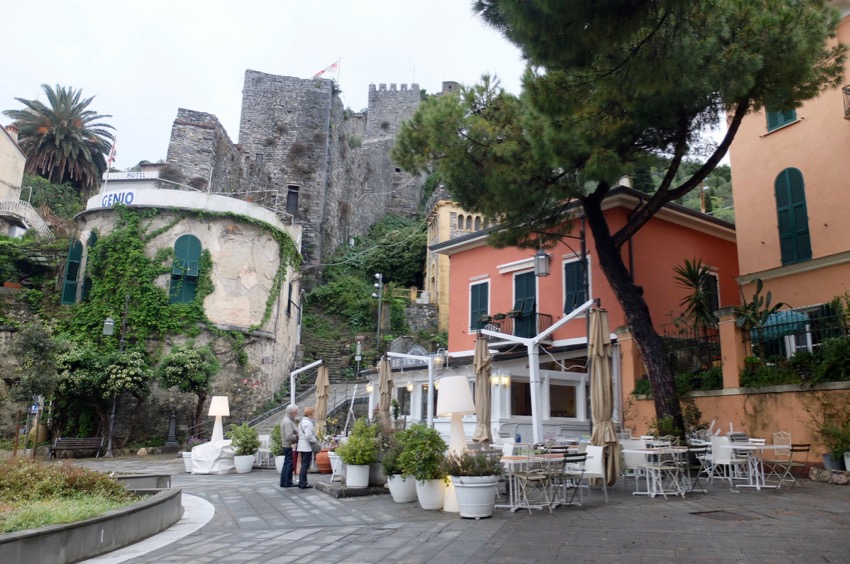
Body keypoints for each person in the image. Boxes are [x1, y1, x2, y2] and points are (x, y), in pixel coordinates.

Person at [297, 406, 319, 489]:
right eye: (313, 413)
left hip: (302, 446)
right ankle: (303, 483)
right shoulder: (308, 423)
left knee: (304, 465)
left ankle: (301, 482)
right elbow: (308, 435)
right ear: (310, 414)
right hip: (306, 447)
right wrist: (315, 441)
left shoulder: (302, 422)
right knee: (305, 465)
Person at [279, 404, 299, 488]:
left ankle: (284, 481)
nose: (297, 413)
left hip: (286, 444)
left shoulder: (287, 420)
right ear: (292, 412)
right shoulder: (288, 421)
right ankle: (287, 482)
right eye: (296, 412)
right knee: (289, 463)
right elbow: (289, 436)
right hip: (288, 445)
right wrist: (298, 436)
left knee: (287, 463)